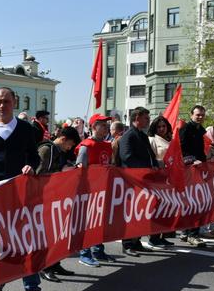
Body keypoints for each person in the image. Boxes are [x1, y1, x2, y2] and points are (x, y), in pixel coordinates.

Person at [0, 87, 45, 291]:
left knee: (25, 236)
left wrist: (31, 167)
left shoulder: (25, 128)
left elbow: (34, 157)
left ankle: (33, 287)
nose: (1, 105)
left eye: (6, 101)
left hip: (18, 188)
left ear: (14, 102)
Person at [36, 126, 81, 281]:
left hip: (55, 197)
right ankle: (45, 267)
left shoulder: (58, 151)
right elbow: (39, 175)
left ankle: (55, 263)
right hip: (44, 198)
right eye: (70, 144)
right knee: (47, 235)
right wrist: (62, 172)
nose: (70, 148)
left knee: (57, 233)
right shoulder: (46, 150)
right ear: (63, 139)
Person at [75, 114, 116, 266]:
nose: (106, 128)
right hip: (89, 190)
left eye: (107, 125)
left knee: (100, 222)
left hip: (103, 189)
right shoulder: (86, 146)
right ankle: (84, 254)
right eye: (103, 125)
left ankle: (98, 251)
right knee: (87, 223)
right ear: (93, 127)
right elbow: (80, 169)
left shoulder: (107, 145)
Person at [118, 107, 159, 254]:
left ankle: (136, 241)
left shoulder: (142, 135)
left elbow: (150, 155)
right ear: (137, 118)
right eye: (146, 118)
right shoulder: (128, 136)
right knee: (131, 213)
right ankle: (128, 244)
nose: (148, 120)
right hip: (132, 181)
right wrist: (146, 168)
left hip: (144, 180)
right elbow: (126, 157)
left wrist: (155, 165)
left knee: (141, 212)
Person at [178, 105, 208, 247]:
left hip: (200, 169)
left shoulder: (201, 130)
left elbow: (201, 151)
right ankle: (192, 234)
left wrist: (206, 161)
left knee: (196, 202)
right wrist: (192, 160)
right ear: (191, 115)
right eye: (198, 115)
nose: (200, 117)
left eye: (202, 115)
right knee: (194, 202)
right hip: (189, 169)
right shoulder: (185, 129)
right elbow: (181, 149)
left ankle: (186, 231)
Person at [144, 115, 176, 249]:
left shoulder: (170, 140)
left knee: (167, 209)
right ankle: (154, 237)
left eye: (164, 126)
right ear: (154, 128)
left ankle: (162, 236)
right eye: (159, 127)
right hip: (158, 178)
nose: (162, 129)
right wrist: (163, 163)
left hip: (170, 179)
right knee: (157, 209)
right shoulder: (152, 140)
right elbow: (150, 159)